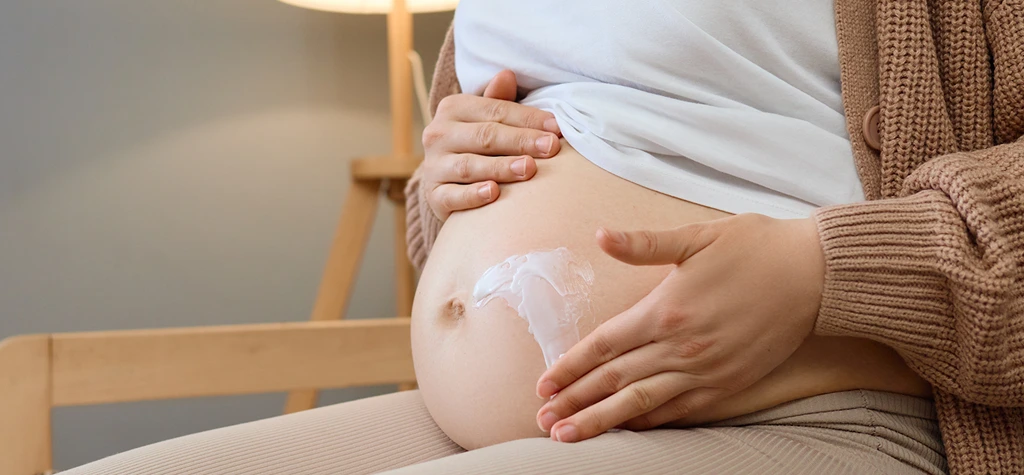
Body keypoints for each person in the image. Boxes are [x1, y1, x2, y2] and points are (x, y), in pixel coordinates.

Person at [65, 1, 1022, 474]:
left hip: (814, 411)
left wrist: (823, 270)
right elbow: (574, 125)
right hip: (516, 421)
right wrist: (447, 176)